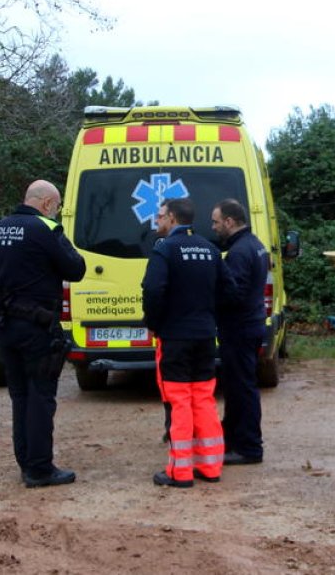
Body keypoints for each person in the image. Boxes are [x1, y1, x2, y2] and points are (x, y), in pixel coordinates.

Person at [0, 180, 86, 488]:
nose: (56, 212)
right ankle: (40, 469)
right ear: (46, 204)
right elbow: (76, 269)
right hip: (37, 327)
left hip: (5, 325)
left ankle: (25, 461)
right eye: (55, 207)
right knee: (41, 395)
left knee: (19, 396)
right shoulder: (45, 228)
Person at [142, 197, 227, 488]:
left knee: (178, 402)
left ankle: (180, 472)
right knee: (203, 399)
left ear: (174, 218)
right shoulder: (210, 249)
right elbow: (228, 290)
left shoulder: (164, 249)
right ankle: (210, 465)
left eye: (161, 215)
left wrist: (154, 323)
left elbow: (153, 290)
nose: (157, 221)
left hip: (175, 337)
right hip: (205, 335)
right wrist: (208, 316)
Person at [211, 198, 269, 466]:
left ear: (230, 222)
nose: (213, 227)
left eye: (216, 222)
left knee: (240, 389)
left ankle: (248, 448)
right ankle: (235, 441)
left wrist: (208, 300)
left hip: (239, 329)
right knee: (241, 386)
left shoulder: (239, 253)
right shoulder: (255, 245)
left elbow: (234, 294)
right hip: (251, 325)